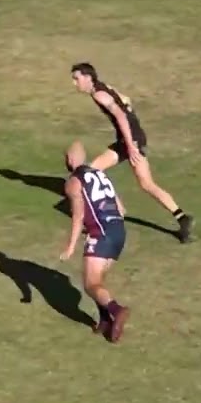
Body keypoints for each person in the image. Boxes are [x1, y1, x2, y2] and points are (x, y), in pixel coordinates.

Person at [70, 63, 194, 242]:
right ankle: (182, 218)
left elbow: (120, 115)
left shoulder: (99, 94)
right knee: (143, 182)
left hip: (130, 141)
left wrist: (130, 144)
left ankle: (114, 212)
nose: (75, 83)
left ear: (88, 78)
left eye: (77, 79)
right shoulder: (104, 87)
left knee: (92, 174)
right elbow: (126, 100)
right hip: (132, 138)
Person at [59, 142, 131, 342]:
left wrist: (70, 247)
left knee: (91, 284)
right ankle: (104, 321)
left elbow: (78, 215)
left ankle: (117, 310)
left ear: (71, 160)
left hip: (101, 233)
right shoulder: (101, 175)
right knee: (97, 280)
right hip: (118, 231)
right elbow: (122, 209)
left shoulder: (73, 182)